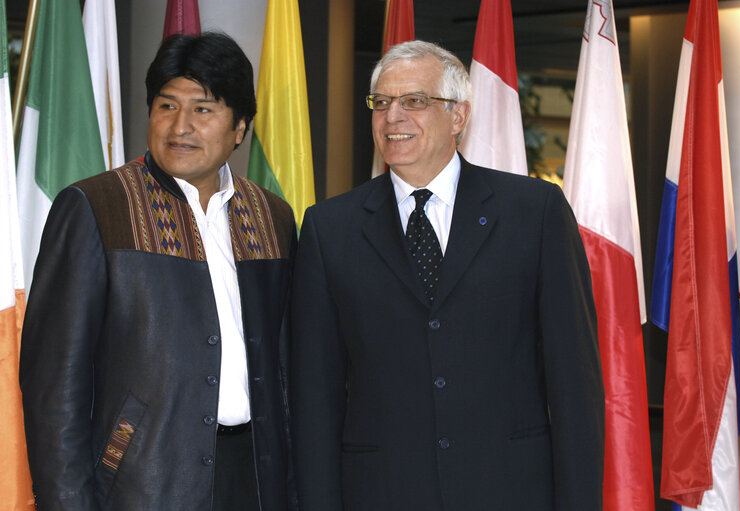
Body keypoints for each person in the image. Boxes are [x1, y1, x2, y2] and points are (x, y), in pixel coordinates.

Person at [290, 40, 604, 510]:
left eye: (414, 101)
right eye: (381, 102)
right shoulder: (328, 227)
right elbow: (314, 396)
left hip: (510, 490)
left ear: (459, 116)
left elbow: (575, 383)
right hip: (382, 492)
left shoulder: (533, 213)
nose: (392, 116)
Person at [20, 32, 297, 511]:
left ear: (241, 127)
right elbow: (53, 388)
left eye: (203, 109)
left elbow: (289, 363)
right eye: (166, 106)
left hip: (254, 479)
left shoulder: (271, 216)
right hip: (141, 482)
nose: (179, 126)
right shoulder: (97, 207)